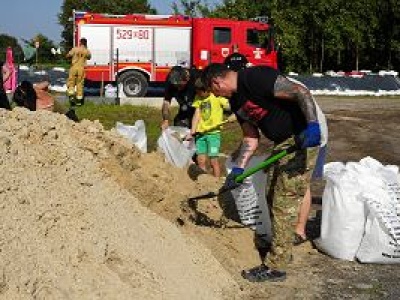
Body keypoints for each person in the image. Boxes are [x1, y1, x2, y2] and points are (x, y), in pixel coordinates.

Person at [201, 63, 327, 282]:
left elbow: (300, 92)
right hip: (283, 142)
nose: (217, 96)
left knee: (284, 199)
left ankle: (276, 266)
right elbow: (251, 137)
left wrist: (312, 126)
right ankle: (281, 243)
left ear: (217, 82)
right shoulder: (236, 100)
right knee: (270, 193)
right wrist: (238, 168)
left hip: (304, 136)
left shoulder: (255, 77)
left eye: (214, 91)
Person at [187, 78, 230, 177]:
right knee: (200, 160)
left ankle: (216, 183)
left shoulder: (217, 96)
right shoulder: (198, 98)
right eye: (197, 92)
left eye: (200, 93)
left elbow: (228, 105)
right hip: (201, 134)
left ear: (207, 89)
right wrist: (193, 131)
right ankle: (203, 181)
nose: (199, 95)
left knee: (213, 161)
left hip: (213, 134)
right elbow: (197, 114)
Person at [161, 66, 199, 130]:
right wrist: (165, 120)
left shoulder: (196, 78)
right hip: (184, 109)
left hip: (198, 110)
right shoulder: (170, 80)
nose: (178, 88)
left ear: (187, 78)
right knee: (179, 128)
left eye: (180, 85)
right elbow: (166, 102)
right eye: (175, 86)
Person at [66, 37, 91, 107]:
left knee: (71, 83)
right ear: (85, 43)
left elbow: (68, 55)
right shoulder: (87, 51)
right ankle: (79, 102)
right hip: (82, 69)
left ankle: (71, 96)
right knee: (80, 85)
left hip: (74, 67)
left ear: (80, 42)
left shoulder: (75, 49)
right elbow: (89, 57)